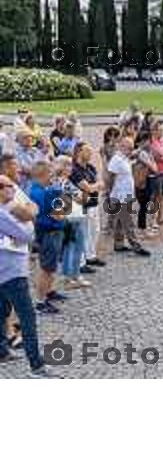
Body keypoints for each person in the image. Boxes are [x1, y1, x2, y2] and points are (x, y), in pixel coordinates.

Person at [0, 174, 54, 377]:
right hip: (12, 271)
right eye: (9, 187)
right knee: (27, 317)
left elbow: (31, 212)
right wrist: (27, 219)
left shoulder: (8, 210)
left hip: (6, 269)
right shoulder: (4, 213)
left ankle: (2, 350)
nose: (14, 190)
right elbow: (28, 234)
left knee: (2, 311)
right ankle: (36, 365)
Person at [28, 161, 66, 312]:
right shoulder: (47, 192)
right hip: (50, 232)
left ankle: (49, 292)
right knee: (47, 269)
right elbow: (59, 215)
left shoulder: (35, 190)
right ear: (42, 175)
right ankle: (40, 302)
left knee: (49, 266)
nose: (53, 176)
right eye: (50, 173)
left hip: (45, 232)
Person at [107, 137, 150, 256]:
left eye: (132, 148)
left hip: (125, 194)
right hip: (120, 196)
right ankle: (136, 245)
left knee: (120, 222)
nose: (131, 150)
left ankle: (118, 244)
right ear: (122, 147)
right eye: (129, 148)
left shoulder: (124, 158)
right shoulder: (116, 159)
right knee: (128, 222)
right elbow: (110, 177)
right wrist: (111, 192)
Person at [54, 156, 92, 290]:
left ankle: (71, 276)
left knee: (73, 247)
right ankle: (71, 277)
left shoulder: (60, 181)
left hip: (70, 216)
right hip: (72, 218)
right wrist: (85, 194)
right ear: (62, 167)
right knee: (73, 248)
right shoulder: (64, 183)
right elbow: (81, 198)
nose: (71, 168)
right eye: (69, 165)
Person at [70, 142, 105, 269]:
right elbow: (87, 187)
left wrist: (94, 187)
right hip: (84, 205)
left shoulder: (90, 167)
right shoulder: (74, 170)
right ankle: (82, 261)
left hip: (94, 203)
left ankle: (91, 256)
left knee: (95, 230)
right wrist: (95, 187)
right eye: (87, 151)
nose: (90, 154)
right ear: (79, 152)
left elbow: (100, 183)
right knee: (85, 233)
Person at [132, 131, 159, 237]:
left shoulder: (146, 152)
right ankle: (143, 229)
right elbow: (154, 168)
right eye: (146, 140)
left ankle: (145, 228)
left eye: (149, 140)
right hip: (144, 181)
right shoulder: (142, 153)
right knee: (144, 205)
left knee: (145, 205)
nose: (148, 143)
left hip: (148, 180)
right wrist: (152, 165)